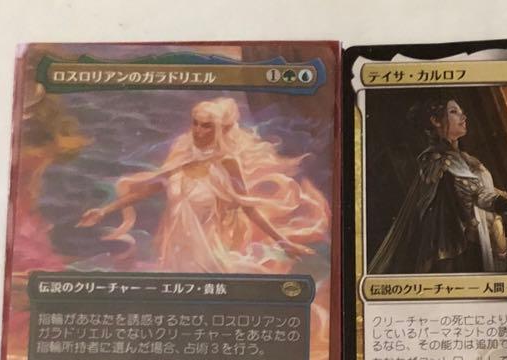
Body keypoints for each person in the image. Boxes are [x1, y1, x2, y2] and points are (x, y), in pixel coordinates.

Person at [76, 97, 329, 272]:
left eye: (206, 126)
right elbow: (148, 189)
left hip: (207, 252)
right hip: (174, 251)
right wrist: (104, 211)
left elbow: (247, 207)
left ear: (218, 129)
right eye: (195, 123)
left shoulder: (227, 163)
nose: (198, 130)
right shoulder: (181, 158)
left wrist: (283, 241)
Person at [369, 95, 507, 274]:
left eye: (462, 111)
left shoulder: (467, 159)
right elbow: (483, 196)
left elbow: (487, 192)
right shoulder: (437, 160)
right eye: (454, 112)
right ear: (435, 121)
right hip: (463, 249)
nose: (463, 117)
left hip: (492, 240)